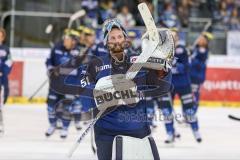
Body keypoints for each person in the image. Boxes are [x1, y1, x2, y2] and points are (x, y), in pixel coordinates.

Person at [79, 18, 173, 160]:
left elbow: (162, 87)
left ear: (125, 38)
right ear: (106, 41)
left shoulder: (140, 61)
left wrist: (164, 66)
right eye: (112, 37)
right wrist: (105, 94)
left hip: (138, 131)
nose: (117, 40)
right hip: (107, 133)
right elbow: (85, 93)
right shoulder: (95, 65)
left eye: (119, 36)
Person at [155, 28, 202, 143]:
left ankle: (196, 130)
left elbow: (184, 67)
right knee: (166, 111)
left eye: (174, 36)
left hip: (183, 85)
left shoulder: (182, 50)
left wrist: (171, 62)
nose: (171, 38)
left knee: (189, 110)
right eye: (169, 36)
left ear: (177, 38)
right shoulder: (161, 51)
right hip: (167, 85)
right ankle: (170, 133)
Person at [45, 29, 82, 138]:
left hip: (69, 85)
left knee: (67, 107)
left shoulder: (79, 53)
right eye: (65, 38)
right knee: (50, 106)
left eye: (67, 39)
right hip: (55, 84)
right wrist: (50, 69)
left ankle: (65, 128)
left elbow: (78, 71)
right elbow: (48, 61)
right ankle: (52, 124)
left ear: (74, 41)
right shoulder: (56, 47)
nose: (64, 40)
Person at [190, 32, 213, 112]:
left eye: (201, 39)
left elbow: (200, 64)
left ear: (206, 41)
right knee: (189, 96)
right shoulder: (197, 49)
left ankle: (191, 114)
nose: (199, 40)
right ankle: (189, 114)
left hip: (197, 76)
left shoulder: (203, 51)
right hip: (191, 75)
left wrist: (192, 57)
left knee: (195, 95)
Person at [0, 27, 12, 104]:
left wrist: (3, 72)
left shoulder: (6, 49)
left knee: (5, 91)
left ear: (3, 38)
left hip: (2, 75)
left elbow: (9, 62)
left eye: (0, 36)